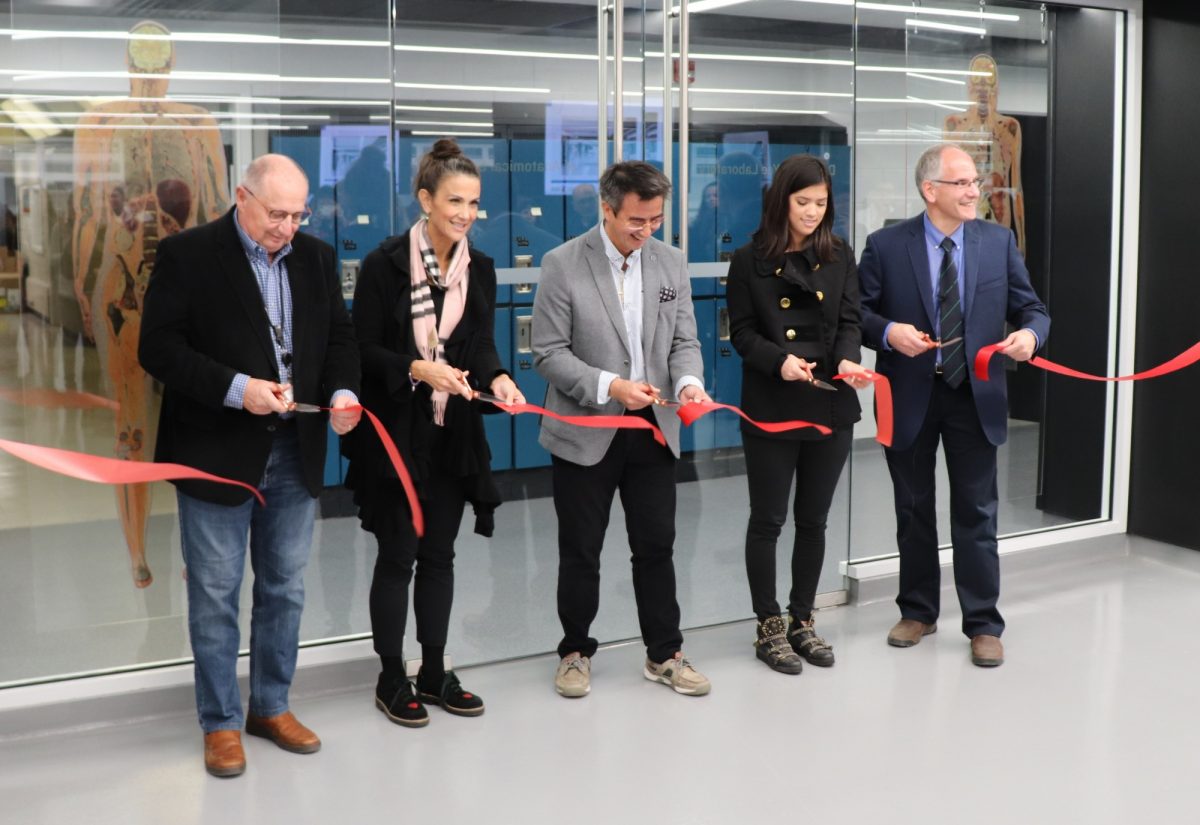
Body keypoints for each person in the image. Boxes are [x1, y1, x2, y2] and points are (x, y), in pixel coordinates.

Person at [139, 154, 361, 777]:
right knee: (215, 593)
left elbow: (339, 339)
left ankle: (270, 706)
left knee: (284, 587)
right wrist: (239, 389)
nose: (287, 227)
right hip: (216, 450)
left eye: (298, 215)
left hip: (294, 448)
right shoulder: (188, 255)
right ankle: (219, 722)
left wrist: (344, 391)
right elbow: (158, 349)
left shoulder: (315, 258)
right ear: (242, 198)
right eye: (276, 214)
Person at [342, 139, 523, 728]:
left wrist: (499, 378)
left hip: (451, 434)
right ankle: (391, 676)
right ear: (426, 200)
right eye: (454, 201)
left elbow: (482, 344)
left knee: (439, 555)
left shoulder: (480, 268)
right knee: (399, 555)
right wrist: (418, 368)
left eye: (473, 202)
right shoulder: (386, 264)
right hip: (397, 436)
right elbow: (363, 348)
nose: (466, 213)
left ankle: (435, 670)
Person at [858, 143, 1049, 668]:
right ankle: (917, 611)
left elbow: (1032, 309)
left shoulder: (997, 241)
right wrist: (890, 332)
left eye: (975, 183)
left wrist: (1030, 336)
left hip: (975, 396)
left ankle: (983, 623)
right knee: (913, 509)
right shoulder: (885, 245)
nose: (974, 192)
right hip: (910, 395)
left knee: (976, 512)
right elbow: (859, 315)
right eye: (962, 183)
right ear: (930, 190)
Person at [533, 160, 713, 699]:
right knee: (581, 550)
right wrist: (612, 385)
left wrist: (688, 383)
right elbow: (548, 354)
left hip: (653, 427)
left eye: (656, 219)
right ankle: (574, 651)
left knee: (656, 546)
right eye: (637, 220)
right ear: (607, 209)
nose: (647, 230)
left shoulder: (670, 262)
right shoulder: (564, 263)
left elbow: (684, 340)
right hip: (586, 428)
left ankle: (664, 653)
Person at [71, 19, 231, 588]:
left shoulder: (196, 124)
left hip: (183, 290)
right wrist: (83, 292)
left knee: (198, 419)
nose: (149, 79)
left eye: (153, 66)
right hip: (125, 290)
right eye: (146, 65)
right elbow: (89, 213)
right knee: (132, 427)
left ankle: (189, 549)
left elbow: (217, 211)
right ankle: (138, 553)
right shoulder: (101, 122)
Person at [725, 154, 873, 675]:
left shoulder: (838, 253)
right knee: (768, 520)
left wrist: (849, 359)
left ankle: (802, 619)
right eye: (803, 202)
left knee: (814, 520)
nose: (813, 212)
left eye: (821, 203)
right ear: (781, 201)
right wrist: (779, 362)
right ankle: (768, 625)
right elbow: (742, 332)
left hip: (830, 402)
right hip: (773, 404)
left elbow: (850, 320)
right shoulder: (749, 259)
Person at [944, 54, 1027, 256]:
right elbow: (945, 183)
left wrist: (1022, 244)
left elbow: (1016, 188)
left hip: (998, 212)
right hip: (963, 214)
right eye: (977, 79)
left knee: (994, 263)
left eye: (987, 80)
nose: (982, 87)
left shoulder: (1009, 127)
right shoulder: (954, 125)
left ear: (996, 87)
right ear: (969, 86)